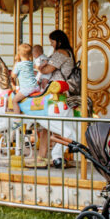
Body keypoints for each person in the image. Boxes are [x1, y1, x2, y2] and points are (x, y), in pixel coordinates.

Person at [35, 29, 78, 167]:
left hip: (56, 90)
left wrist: (40, 66)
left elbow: (47, 70)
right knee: (47, 127)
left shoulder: (60, 53)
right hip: (61, 91)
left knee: (47, 123)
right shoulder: (69, 53)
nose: (51, 45)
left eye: (52, 42)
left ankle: (55, 155)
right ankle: (42, 157)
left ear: (58, 41)